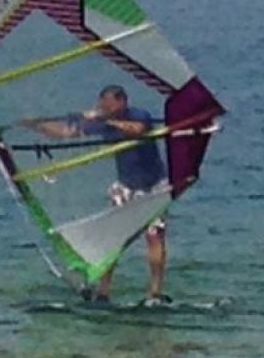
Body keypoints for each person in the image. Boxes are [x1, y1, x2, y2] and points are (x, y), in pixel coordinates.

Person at [21, 85, 170, 306]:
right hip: (125, 186)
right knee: (113, 239)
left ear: (122, 102)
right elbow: (66, 132)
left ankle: (155, 292)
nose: (103, 109)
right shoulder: (103, 122)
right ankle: (104, 291)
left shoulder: (139, 115)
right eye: (101, 105)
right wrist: (35, 125)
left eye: (108, 105)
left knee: (154, 237)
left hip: (153, 187)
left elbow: (137, 130)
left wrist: (105, 120)